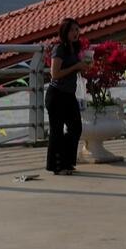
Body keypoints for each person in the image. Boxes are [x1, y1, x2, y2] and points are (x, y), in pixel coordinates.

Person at [46, 18, 90, 175]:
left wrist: (83, 67)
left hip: (69, 94)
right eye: (72, 30)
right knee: (57, 130)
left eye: (77, 29)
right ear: (64, 32)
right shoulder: (59, 48)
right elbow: (55, 74)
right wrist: (76, 66)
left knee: (76, 128)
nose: (75, 33)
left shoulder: (74, 48)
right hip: (56, 94)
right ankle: (57, 166)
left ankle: (67, 161)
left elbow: (73, 69)